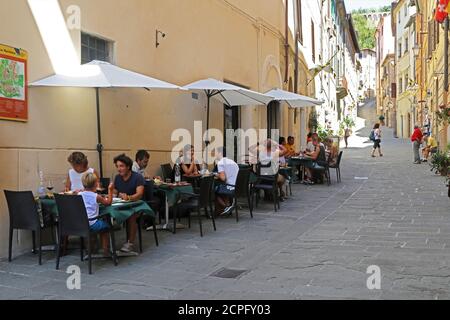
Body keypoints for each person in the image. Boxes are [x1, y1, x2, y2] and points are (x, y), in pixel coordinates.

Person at [113, 154, 145, 253]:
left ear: (128, 167)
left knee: (131, 215)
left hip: (136, 205)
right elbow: (114, 190)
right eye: (117, 166)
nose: (119, 169)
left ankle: (130, 243)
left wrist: (129, 197)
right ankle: (107, 245)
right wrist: (115, 194)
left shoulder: (137, 177)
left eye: (121, 166)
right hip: (121, 205)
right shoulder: (117, 178)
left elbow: (139, 194)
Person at [79, 173, 114, 257]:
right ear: (95, 184)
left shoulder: (79, 195)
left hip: (81, 223)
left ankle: (90, 249)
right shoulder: (96, 196)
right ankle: (106, 250)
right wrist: (110, 190)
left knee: (100, 223)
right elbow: (108, 203)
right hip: (92, 223)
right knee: (106, 225)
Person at [214, 147, 240, 216]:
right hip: (238, 187)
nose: (215, 154)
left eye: (216, 152)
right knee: (222, 187)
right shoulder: (232, 162)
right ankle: (228, 206)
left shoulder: (220, 163)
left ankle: (226, 207)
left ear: (220, 153)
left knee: (213, 191)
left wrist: (217, 175)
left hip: (231, 188)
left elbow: (223, 178)